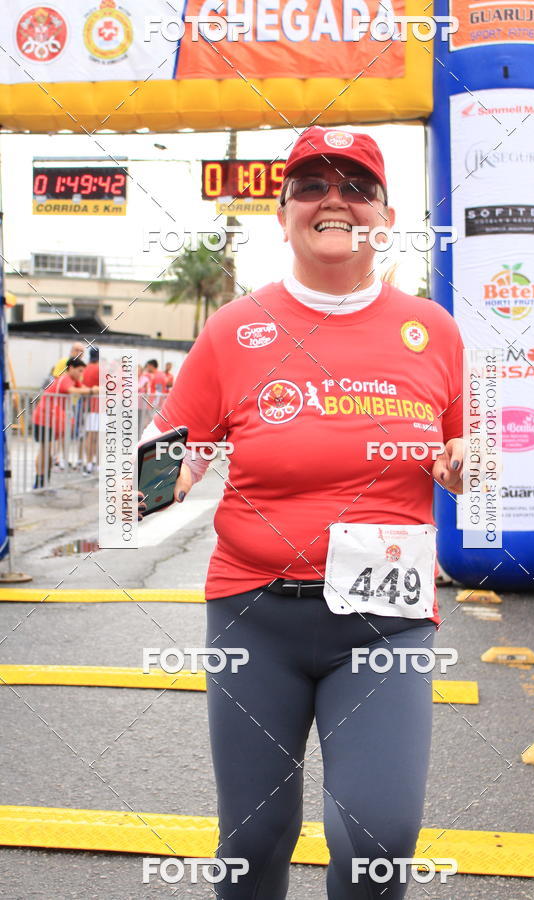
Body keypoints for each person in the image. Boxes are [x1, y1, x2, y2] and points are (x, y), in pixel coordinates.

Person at [138, 126, 465, 899]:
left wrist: (464, 469)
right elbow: (164, 461)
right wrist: (147, 482)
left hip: (386, 621)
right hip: (254, 615)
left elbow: (464, 457)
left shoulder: (436, 333)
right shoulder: (233, 331)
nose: (335, 202)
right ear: (283, 214)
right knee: (252, 839)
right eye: (313, 187)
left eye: (356, 188)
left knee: (378, 836)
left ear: (385, 217)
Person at [33, 357, 96, 489]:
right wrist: (93, 390)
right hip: (44, 418)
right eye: (79, 371)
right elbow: (74, 391)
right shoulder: (64, 378)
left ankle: (43, 482)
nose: (81, 375)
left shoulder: (73, 380)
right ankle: (39, 483)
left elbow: (82, 388)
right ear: (71, 368)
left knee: (47, 451)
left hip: (51, 420)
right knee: (45, 451)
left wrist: (94, 389)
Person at [82, 346, 100, 473]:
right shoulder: (99, 369)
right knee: (99, 437)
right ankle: (98, 464)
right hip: (99, 406)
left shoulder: (85, 368)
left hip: (87, 405)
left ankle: (88, 462)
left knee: (89, 436)